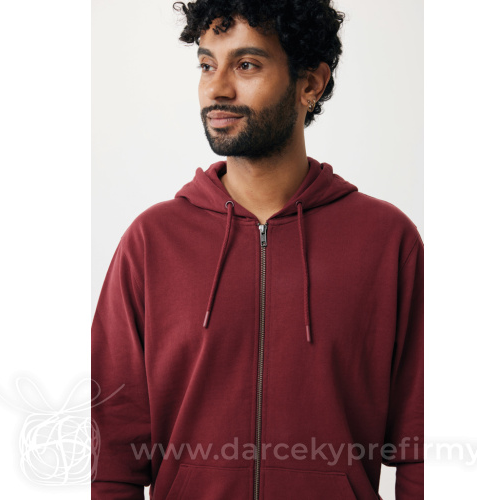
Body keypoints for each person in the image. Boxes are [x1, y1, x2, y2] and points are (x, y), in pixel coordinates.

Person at [91, 0, 423, 499]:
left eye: (246, 65)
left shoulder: (386, 242)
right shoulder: (152, 242)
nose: (217, 88)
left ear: (310, 84)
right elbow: (110, 451)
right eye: (207, 65)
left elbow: (423, 445)